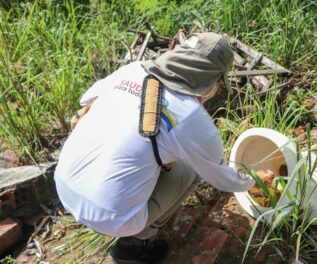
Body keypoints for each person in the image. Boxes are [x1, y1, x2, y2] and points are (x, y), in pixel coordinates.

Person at [54, 32, 275, 264]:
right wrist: (253, 179)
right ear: (211, 80)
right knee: (191, 168)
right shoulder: (191, 116)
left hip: (64, 183)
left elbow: (85, 104)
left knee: (153, 148)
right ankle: (136, 244)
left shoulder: (132, 69)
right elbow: (222, 180)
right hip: (111, 217)